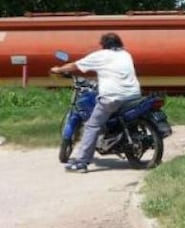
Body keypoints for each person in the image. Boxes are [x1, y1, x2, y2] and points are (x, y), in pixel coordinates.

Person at [50, 33, 141, 173]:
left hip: (112, 96)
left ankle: (81, 162)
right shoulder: (125, 54)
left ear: (104, 45)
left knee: (92, 126)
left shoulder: (101, 55)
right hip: (133, 94)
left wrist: (58, 69)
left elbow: (75, 65)